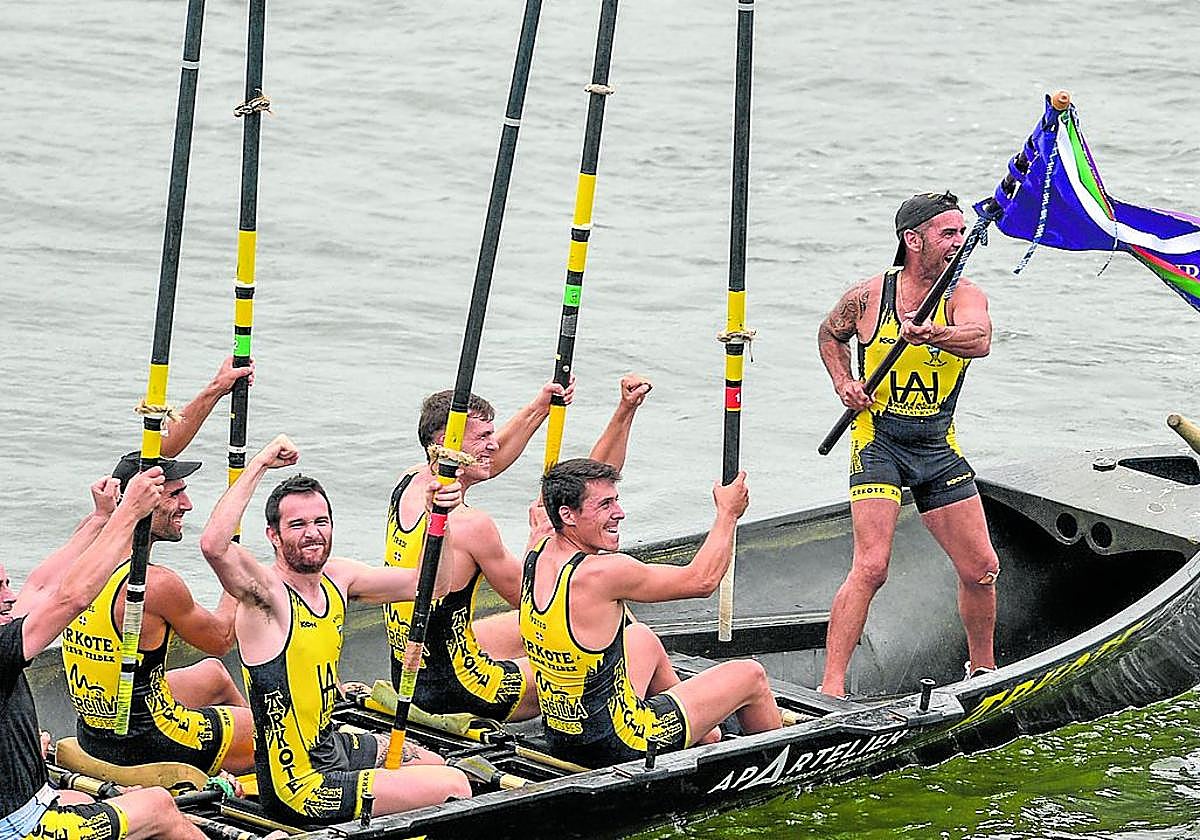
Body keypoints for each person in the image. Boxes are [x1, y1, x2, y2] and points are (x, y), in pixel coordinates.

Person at [200, 435, 471, 825]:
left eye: (320, 522)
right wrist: (259, 463)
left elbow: (433, 586)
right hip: (301, 785)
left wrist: (439, 520)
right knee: (455, 786)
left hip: (330, 745)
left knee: (431, 760)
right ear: (273, 535)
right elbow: (213, 545)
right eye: (298, 525)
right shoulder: (266, 596)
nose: (312, 532)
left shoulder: (338, 578)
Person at [815, 190, 1001, 698]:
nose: (958, 242)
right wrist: (844, 383)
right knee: (871, 567)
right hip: (878, 441)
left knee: (982, 570)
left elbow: (980, 340)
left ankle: (982, 671)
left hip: (936, 446)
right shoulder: (869, 296)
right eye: (948, 233)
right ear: (912, 240)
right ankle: (831, 688)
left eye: (962, 232)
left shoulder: (964, 295)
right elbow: (830, 335)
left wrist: (933, 334)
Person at [384, 375, 650, 723]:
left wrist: (538, 409)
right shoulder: (472, 525)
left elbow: (487, 463)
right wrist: (539, 541)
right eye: (482, 438)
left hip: (412, 670)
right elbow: (538, 604)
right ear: (445, 442)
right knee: (618, 641)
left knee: (521, 630)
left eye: (492, 435)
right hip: (461, 691)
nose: (493, 445)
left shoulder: (412, 481)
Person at [521, 458, 782, 767]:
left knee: (641, 637)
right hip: (620, 742)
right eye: (605, 505)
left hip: (564, 738)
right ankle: (777, 769)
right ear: (567, 515)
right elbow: (702, 580)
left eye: (616, 501)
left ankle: (703, 731)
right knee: (749, 675)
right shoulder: (603, 573)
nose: (619, 513)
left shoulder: (536, 550)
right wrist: (728, 513)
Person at [1, 468, 209, 839]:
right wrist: (129, 514)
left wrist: (101, 519)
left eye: (5, 584)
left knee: (124, 804)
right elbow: (70, 599)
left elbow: (42, 584)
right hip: (20, 827)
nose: (10, 597)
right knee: (158, 806)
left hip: (29, 802)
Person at [58, 452, 255, 775]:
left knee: (213, 675)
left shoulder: (83, 551)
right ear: (141, 501)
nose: (188, 505)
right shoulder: (155, 584)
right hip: (147, 740)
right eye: (175, 494)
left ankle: (242, 764)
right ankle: (255, 772)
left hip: (94, 731)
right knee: (276, 726)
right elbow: (222, 638)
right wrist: (233, 568)